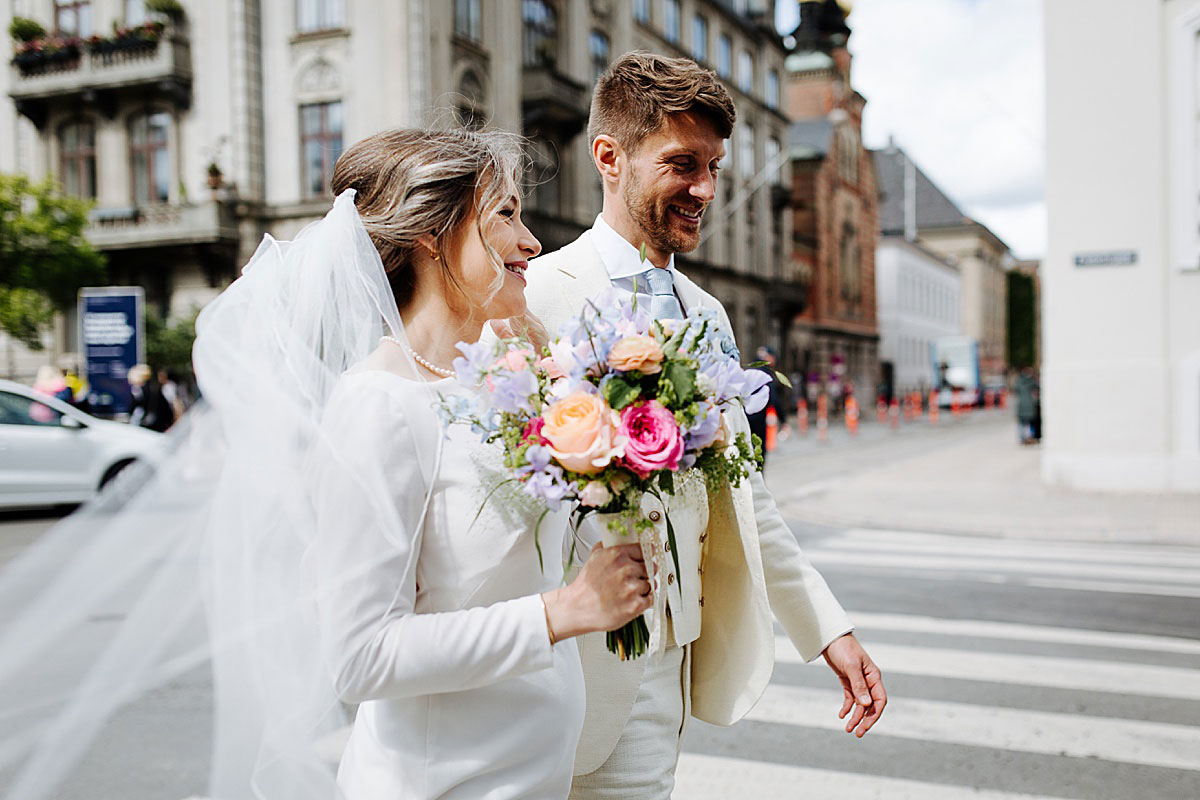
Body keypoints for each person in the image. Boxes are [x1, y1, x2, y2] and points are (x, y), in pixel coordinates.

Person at [0, 128, 649, 800]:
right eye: (506, 215)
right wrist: (562, 611)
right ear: (431, 234)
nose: (531, 241)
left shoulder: (499, 383)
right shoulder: (379, 405)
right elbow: (361, 656)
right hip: (443, 783)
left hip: (530, 772)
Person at [514, 52, 887, 799]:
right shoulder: (537, 295)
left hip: (671, 659)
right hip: (568, 662)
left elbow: (746, 494)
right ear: (610, 158)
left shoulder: (706, 314)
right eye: (683, 164)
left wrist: (826, 628)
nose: (706, 190)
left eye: (713, 167)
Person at [745, 345, 789, 466]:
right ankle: (757, 478)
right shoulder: (766, 375)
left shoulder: (747, 370)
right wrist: (783, 420)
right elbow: (773, 398)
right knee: (759, 450)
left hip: (744, 416)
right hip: (758, 417)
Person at [126, 363, 174, 432]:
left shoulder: (138, 390)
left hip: (145, 424)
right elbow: (166, 408)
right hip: (158, 424)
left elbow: (135, 406)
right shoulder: (155, 387)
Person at [1015, 367, 1039, 444]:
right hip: (1030, 404)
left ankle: (1023, 437)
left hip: (1021, 404)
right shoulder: (1032, 381)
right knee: (1030, 422)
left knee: (1022, 422)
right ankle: (1030, 437)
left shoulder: (1019, 381)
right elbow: (1037, 387)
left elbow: (1016, 390)